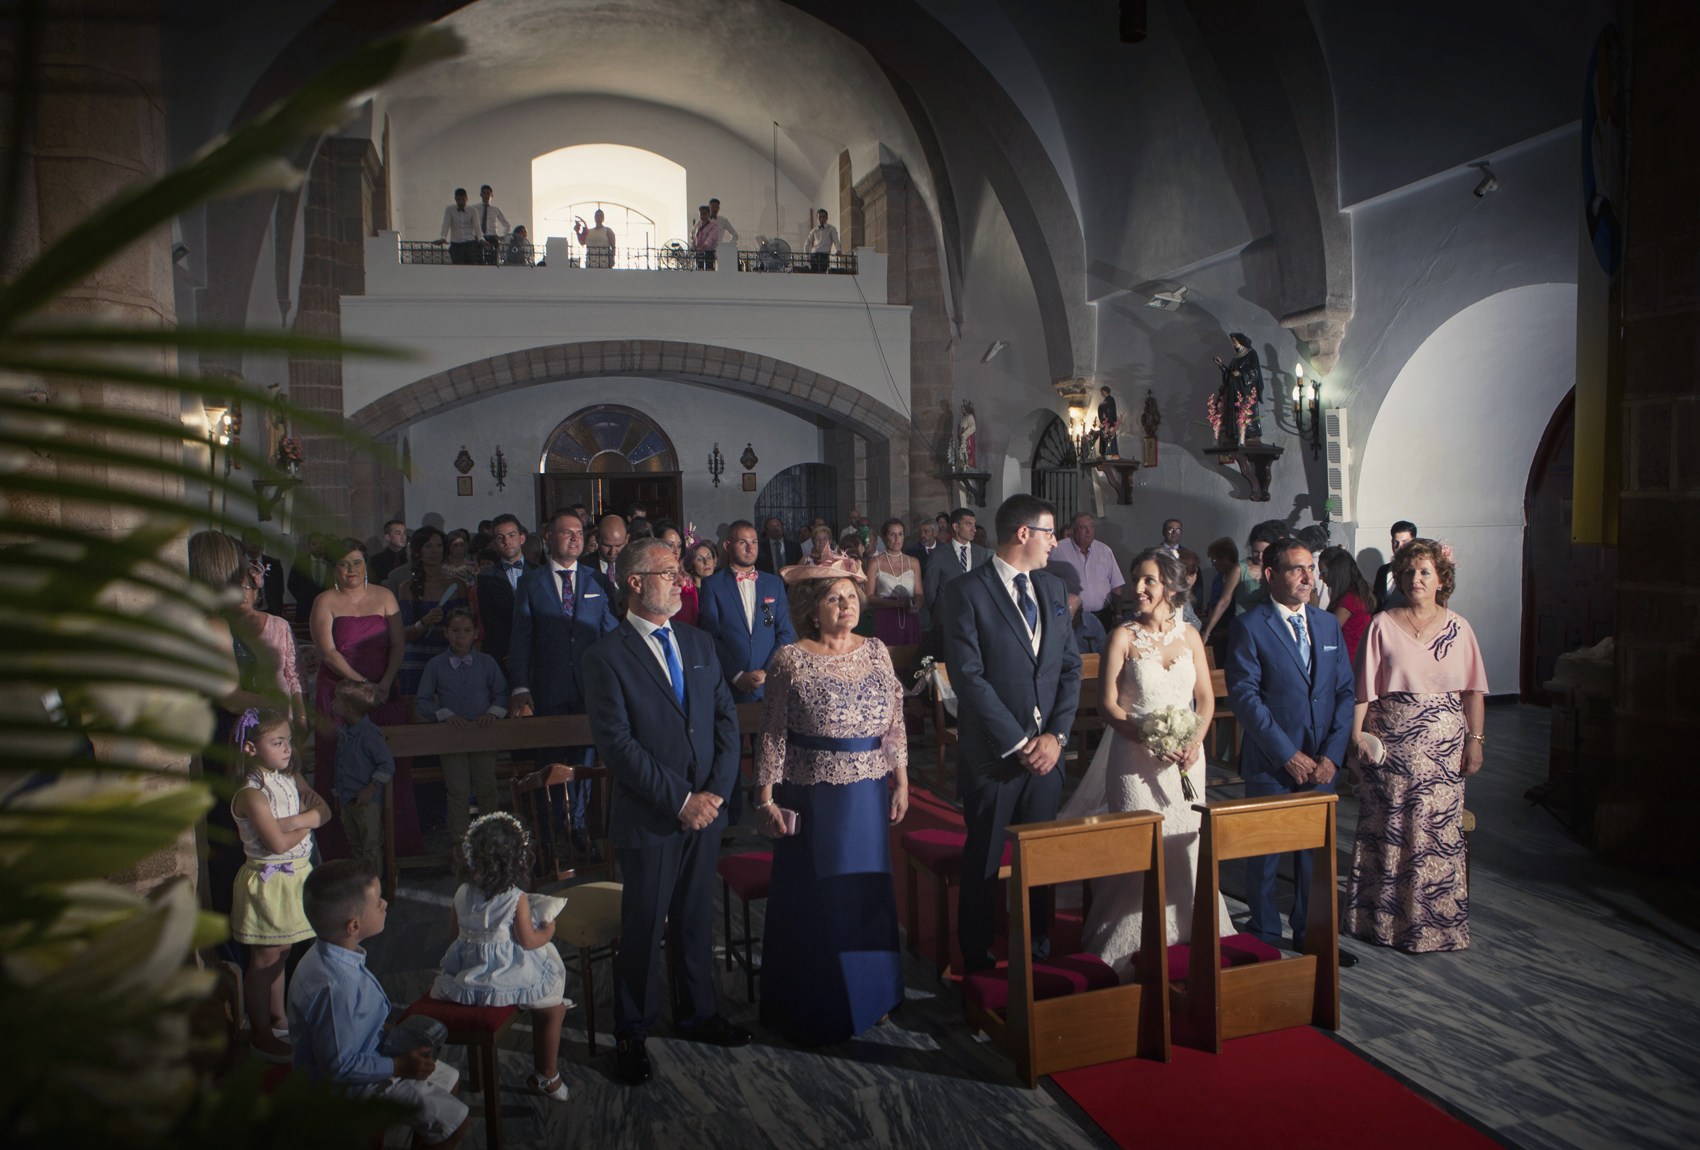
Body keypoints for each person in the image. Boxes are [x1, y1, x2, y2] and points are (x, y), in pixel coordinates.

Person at [581, 537, 749, 1086]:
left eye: (680, 572)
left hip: (707, 811)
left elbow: (725, 722)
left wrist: (714, 795)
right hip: (652, 815)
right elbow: (618, 747)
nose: (682, 581)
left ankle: (697, 1014)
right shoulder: (606, 657)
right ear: (635, 582)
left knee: (696, 918)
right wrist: (681, 801)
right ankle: (632, 1031)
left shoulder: (699, 642)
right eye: (669, 572)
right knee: (644, 924)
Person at [755, 568, 906, 1044]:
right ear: (812, 610)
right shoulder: (790, 659)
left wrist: (902, 781)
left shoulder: (877, 651)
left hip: (868, 794)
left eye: (851, 596)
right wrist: (764, 798)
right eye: (835, 598)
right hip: (814, 795)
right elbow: (772, 734)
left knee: (865, 894)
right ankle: (818, 1001)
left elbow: (895, 722)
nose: (846, 604)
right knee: (820, 900)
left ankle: (874, 995)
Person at [1060, 550, 1226, 972]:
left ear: (1169, 586)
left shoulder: (1191, 636)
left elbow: (1205, 699)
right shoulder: (1122, 636)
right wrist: (1147, 736)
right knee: (1141, 850)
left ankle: (1189, 931)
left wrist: (1195, 741)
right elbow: (1107, 706)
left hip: (1186, 761)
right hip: (1134, 762)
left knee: (1187, 844)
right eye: (1136, 579)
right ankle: (1127, 943)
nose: (1138, 588)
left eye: (1148, 580)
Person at [943, 494, 1081, 972]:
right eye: (1050, 532)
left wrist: (1056, 737)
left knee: (1039, 854)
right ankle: (976, 955)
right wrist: (1020, 742)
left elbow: (1069, 668)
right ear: (1024, 533)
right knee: (984, 857)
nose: (1055, 542)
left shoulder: (1054, 588)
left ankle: (1035, 941)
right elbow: (968, 677)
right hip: (994, 754)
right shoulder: (966, 590)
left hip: (1048, 755)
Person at [1346, 539, 1488, 954]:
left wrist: (1475, 742)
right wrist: (1355, 738)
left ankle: (1436, 926)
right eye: (1408, 572)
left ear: (1442, 579)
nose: (1416, 579)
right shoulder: (1381, 624)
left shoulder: (1460, 628)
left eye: (1425, 571)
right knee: (1389, 830)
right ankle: (1381, 924)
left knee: (1436, 835)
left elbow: (1473, 692)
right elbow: (1362, 691)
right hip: (1391, 746)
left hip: (1444, 750)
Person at [1225, 538, 1358, 966]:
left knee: (1314, 858)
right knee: (1265, 855)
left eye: (1311, 568)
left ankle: (1310, 934)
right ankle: (1263, 936)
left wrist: (1332, 757)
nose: (1307, 577)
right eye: (1297, 569)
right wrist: (1287, 755)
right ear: (1271, 575)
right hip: (1273, 762)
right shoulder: (1250, 626)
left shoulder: (1327, 624)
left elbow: (1344, 693)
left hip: (1322, 764)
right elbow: (1245, 698)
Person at [290, 862, 470, 1149]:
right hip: (347, 1089)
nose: (385, 904)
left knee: (450, 1079)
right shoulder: (336, 987)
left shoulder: (329, 953)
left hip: (368, 1053)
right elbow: (339, 1066)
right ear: (353, 926)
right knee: (456, 1124)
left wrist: (392, 1034)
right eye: (377, 903)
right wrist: (398, 1065)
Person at [431, 812, 572, 1103]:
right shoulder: (515, 898)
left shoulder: (461, 892)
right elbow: (529, 941)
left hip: (467, 975)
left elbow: (453, 936)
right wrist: (548, 930)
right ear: (517, 860)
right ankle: (548, 1075)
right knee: (554, 1008)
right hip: (505, 974)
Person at [507, 509, 620, 855]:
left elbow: (610, 634)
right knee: (549, 762)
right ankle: (547, 835)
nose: (575, 538)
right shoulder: (531, 582)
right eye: (567, 532)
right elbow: (521, 639)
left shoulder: (596, 580)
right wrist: (520, 686)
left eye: (579, 533)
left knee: (585, 761)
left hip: (589, 688)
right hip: (548, 688)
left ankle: (578, 829)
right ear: (549, 538)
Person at [229, 708, 328, 1061]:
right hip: (269, 882)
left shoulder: (288, 775)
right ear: (250, 749)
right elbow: (277, 844)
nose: (287, 748)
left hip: (296, 876)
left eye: (288, 740)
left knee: (282, 953)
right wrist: (307, 822)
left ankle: (279, 1020)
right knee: (264, 961)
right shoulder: (251, 793)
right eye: (277, 742)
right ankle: (261, 1035)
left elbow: (325, 810)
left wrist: (290, 821)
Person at [308, 540, 404, 850]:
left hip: (383, 692)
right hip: (339, 695)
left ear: (366, 565)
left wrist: (384, 683)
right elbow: (327, 651)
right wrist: (363, 685)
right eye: (344, 564)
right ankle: (341, 848)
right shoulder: (325, 600)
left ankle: (391, 847)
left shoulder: (385, 596)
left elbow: (398, 644)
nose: (351, 569)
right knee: (341, 765)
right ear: (334, 569)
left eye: (357, 562)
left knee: (384, 760)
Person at [416, 608, 509, 853]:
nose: (460, 636)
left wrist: (492, 713)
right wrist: (444, 715)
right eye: (455, 630)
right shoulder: (436, 664)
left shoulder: (487, 662)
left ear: (476, 633)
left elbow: (502, 693)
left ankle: (491, 843)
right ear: (446, 632)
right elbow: (422, 700)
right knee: (457, 790)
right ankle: (461, 846)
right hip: (451, 737)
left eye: (467, 631)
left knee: (486, 788)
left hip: (482, 735)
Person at [230, 555, 306, 736]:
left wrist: (301, 717)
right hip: (242, 715)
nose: (241, 594)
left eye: (246, 587)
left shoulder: (279, 626)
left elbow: (295, 675)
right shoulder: (222, 628)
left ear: (255, 592)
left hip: (281, 711)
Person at [396, 526, 469, 698]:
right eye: (428, 546)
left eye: (438, 546)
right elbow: (403, 633)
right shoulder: (407, 587)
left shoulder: (458, 585)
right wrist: (424, 622)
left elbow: (468, 626)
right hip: (417, 658)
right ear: (418, 552)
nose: (434, 551)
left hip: (450, 656)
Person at [331, 680, 393, 877]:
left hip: (366, 803)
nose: (332, 703)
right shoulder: (346, 731)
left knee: (370, 847)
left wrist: (370, 789)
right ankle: (361, 885)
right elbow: (340, 764)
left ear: (349, 709)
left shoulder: (369, 733)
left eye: (336, 700)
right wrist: (337, 792)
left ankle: (374, 884)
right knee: (356, 847)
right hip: (347, 800)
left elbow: (387, 765)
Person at [1200, 520, 1285, 645]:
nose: (1260, 556)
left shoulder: (1276, 568)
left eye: (1264, 551)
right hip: (1245, 629)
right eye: (1256, 551)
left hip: (1270, 629)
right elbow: (1224, 602)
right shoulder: (1240, 569)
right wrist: (1207, 632)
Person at [1050, 511, 1124, 634]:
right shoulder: (1057, 550)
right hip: (1072, 617)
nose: (1088, 531)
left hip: (1102, 615)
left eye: (1091, 526)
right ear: (1073, 530)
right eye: (1083, 527)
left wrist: (1118, 615)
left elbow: (1116, 585)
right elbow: (1043, 581)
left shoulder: (1104, 550)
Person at [474, 513, 529, 671]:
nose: (507, 541)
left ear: (522, 538)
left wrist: (527, 651)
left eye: (511, 535)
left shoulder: (540, 573)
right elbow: (490, 622)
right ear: (495, 543)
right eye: (501, 537)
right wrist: (509, 652)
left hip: (535, 654)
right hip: (501, 655)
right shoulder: (485, 578)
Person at [864, 519, 924, 646]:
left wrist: (916, 605)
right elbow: (868, 597)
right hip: (885, 617)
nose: (897, 538)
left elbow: (919, 593)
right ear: (884, 538)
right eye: (892, 534)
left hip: (909, 616)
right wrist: (895, 603)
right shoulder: (875, 563)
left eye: (900, 534)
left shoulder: (913, 562)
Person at [1320, 547, 1373, 663]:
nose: (1320, 577)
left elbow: (1328, 632)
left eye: (1323, 572)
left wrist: (1314, 608)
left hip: (1349, 662)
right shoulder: (1353, 595)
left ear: (1335, 571)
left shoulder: (1349, 600)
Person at [1213, 332, 1265, 442]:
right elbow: (1230, 373)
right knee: (1235, 411)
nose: (1233, 344)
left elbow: (1254, 371)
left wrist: (1241, 373)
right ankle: (1235, 433)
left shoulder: (1251, 353)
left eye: (1234, 341)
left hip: (1245, 389)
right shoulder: (1237, 357)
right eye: (1232, 341)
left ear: (1241, 341)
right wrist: (1222, 366)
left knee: (1245, 409)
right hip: (1235, 389)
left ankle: (1249, 432)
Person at [651, 520, 695, 624]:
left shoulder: (687, 582)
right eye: (670, 545)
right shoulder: (651, 576)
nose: (676, 551)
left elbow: (694, 616)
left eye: (679, 545)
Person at [1372, 520, 1418, 614]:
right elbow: (1377, 603)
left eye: (1405, 542)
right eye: (1395, 542)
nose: (1399, 547)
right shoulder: (1383, 571)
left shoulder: (1418, 572)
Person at [288, 532, 333, 623]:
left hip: (328, 609)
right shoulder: (300, 562)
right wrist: (303, 599)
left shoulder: (331, 562)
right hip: (305, 609)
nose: (318, 546)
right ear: (309, 546)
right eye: (314, 543)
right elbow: (291, 584)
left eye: (320, 543)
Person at [439, 188, 483, 265]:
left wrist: (481, 239)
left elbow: (477, 226)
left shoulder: (472, 210)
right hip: (456, 243)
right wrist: (443, 237)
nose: (461, 202)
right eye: (459, 199)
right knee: (457, 266)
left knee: (471, 266)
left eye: (463, 199)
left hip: (470, 242)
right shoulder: (450, 209)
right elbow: (446, 224)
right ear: (455, 199)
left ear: (466, 199)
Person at [474, 185, 510, 263]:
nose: (486, 195)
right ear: (481, 194)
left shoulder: (495, 209)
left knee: (492, 262)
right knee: (478, 262)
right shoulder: (474, 208)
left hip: (492, 238)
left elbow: (507, 225)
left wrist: (503, 237)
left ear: (491, 195)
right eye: (484, 193)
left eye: (488, 193)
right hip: (478, 238)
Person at [369, 519, 409, 585]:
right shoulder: (376, 560)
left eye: (404, 533)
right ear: (388, 537)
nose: (403, 537)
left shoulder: (410, 557)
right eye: (398, 533)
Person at [592, 513, 627, 585]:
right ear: (597, 538)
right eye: (607, 545)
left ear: (627, 539)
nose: (612, 552)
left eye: (618, 546)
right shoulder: (582, 566)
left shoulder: (635, 566)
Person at [1175, 547, 1204, 629]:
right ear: (1188, 576)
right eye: (1195, 572)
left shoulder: (1183, 599)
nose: (1196, 576)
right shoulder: (1177, 601)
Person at [805, 207, 840, 272]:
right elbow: (807, 242)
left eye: (823, 217)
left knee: (822, 273)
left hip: (824, 254)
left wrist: (838, 250)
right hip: (814, 254)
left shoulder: (831, 229)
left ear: (827, 218)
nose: (821, 219)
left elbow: (836, 240)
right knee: (813, 274)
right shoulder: (814, 230)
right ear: (817, 218)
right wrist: (806, 254)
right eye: (819, 217)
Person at [691, 205, 719, 270]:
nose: (702, 216)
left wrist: (706, 244)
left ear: (709, 214)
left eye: (704, 214)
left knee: (708, 271)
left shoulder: (713, 226)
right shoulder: (698, 227)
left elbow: (711, 237)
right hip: (699, 252)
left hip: (708, 252)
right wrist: (694, 246)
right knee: (699, 270)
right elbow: (696, 238)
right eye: (701, 214)